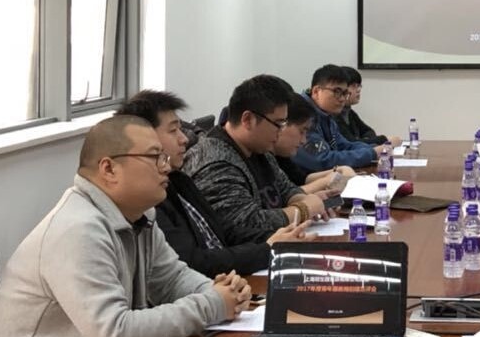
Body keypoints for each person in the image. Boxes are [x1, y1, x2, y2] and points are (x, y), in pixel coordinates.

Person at [0, 115, 251, 337]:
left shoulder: (139, 216)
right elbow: (114, 335)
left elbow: (172, 279)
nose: (166, 167)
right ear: (109, 169)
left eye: (164, 157)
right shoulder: (78, 230)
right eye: (154, 157)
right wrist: (212, 304)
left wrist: (220, 292)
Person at [117, 90, 311, 278]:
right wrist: (270, 247)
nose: (184, 138)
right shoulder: (149, 199)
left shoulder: (178, 180)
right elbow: (192, 263)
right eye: (173, 130)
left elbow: (223, 235)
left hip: (224, 283)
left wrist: (279, 239)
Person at [184, 75, 328, 243]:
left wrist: (305, 200)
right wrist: (303, 210)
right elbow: (244, 225)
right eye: (278, 124)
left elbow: (286, 189)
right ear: (248, 119)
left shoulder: (260, 150)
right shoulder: (214, 162)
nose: (281, 131)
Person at [292, 64, 381, 176]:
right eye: (337, 92)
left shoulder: (326, 114)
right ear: (316, 91)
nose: (342, 99)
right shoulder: (303, 114)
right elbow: (322, 160)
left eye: (345, 93)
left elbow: (345, 145)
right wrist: (372, 153)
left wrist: (375, 149)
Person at [274, 92, 356, 193]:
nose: (304, 141)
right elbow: (286, 196)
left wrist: (339, 170)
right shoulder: (264, 158)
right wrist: (325, 181)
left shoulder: (281, 156)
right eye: (301, 131)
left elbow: (302, 179)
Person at [336, 66, 402, 147]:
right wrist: (385, 140)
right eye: (353, 86)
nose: (358, 90)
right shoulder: (334, 115)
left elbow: (369, 131)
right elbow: (351, 143)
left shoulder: (349, 112)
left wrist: (365, 140)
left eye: (359, 85)